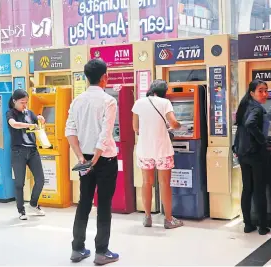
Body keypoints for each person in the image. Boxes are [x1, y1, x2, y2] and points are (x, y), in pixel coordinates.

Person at [65, 59, 119, 265]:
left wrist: (82, 158)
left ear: (86, 77)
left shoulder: (77, 100)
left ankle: (77, 249)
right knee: (104, 204)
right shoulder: (108, 101)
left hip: (85, 158)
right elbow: (105, 135)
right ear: (105, 77)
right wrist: (95, 159)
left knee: (84, 202)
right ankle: (101, 252)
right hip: (104, 159)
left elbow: (70, 130)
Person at [131, 80, 183, 229]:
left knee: (147, 182)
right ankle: (168, 219)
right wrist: (178, 125)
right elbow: (173, 123)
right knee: (165, 183)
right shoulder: (165, 102)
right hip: (162, 150)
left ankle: (147, 217)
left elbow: (135, 127)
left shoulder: (139, 103)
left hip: (144, 150)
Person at [233, 79, 270, 235]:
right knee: (259, 190)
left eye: (266, 90)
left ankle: (248, 224)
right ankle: (262, 226)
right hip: (255, 154)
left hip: (243, 154)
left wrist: (236, 147)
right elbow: (250, 124)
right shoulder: (256, 108)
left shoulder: (244, 106)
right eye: (260, 91)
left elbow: (241, 129)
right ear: (252, 93)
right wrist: (262, 139)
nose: (264, 94)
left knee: (247, 189)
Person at [6, 89, 46, 219]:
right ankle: (21, 210)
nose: (25, 105)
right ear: (14, 101)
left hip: (32, 151)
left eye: (26, 102)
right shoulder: (10, 113)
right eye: (22, 102)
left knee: (40, 179)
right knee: (19, 183)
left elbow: (38, 122)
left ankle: (33, 204)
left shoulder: (29, 113)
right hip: (18, 151)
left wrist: (40, 118)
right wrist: (28, 125)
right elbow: (14, 124)